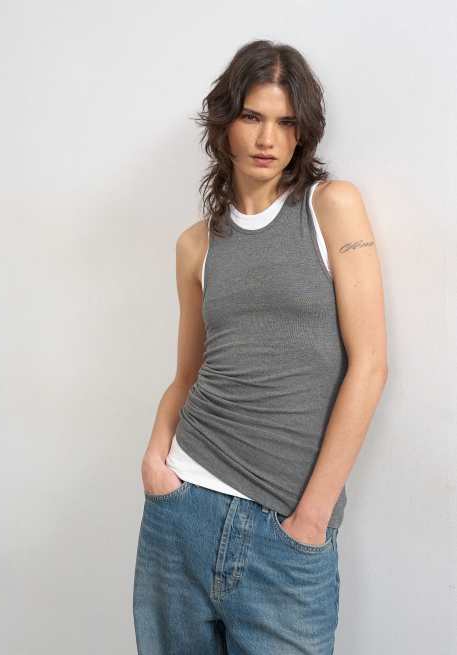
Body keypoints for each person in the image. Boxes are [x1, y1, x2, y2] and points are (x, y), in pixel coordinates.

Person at [132, 39, 388, 655]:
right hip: (181, 510)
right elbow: (187, 375)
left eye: (286, 122)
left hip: (287, 534)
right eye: (252, 116)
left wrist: (311, 519)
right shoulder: (196, 245)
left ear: (303, 134)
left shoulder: (332, 208)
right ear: (225, 122)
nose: (268, 138)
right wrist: (155, 463)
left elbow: (371, 366)